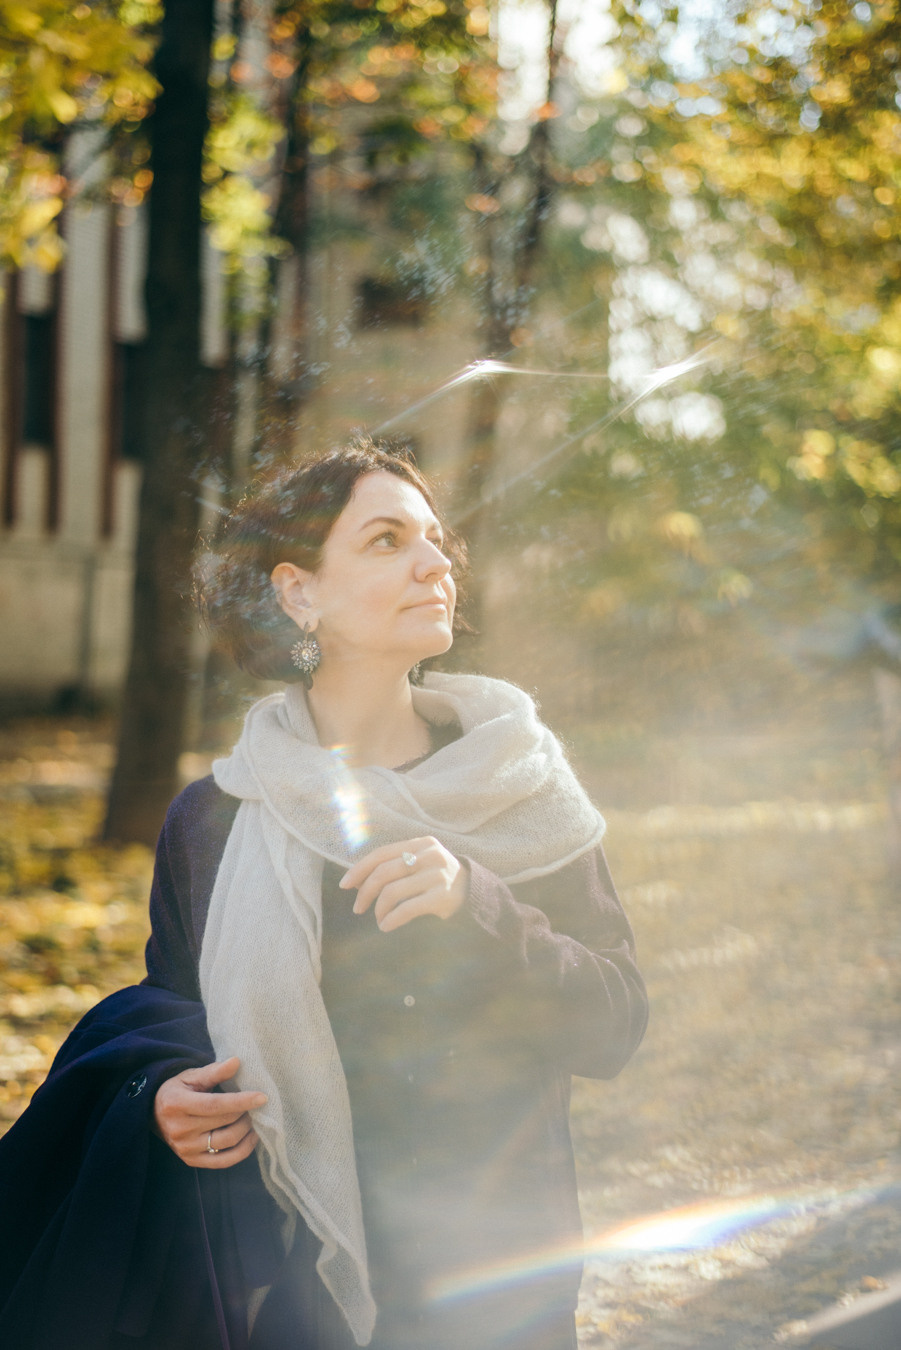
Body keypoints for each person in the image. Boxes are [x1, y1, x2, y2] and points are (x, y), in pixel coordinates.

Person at [0, 439, 647, 1350]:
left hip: (496, 1286)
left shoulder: (520, 789)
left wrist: (479, 908)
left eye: (434, 540)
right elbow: (174, 1015)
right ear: (298, 592)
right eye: (386, 541)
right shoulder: (217, 817)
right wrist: (160, 1098)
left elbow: (615, 1025)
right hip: (288, 1283)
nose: (434, 564)